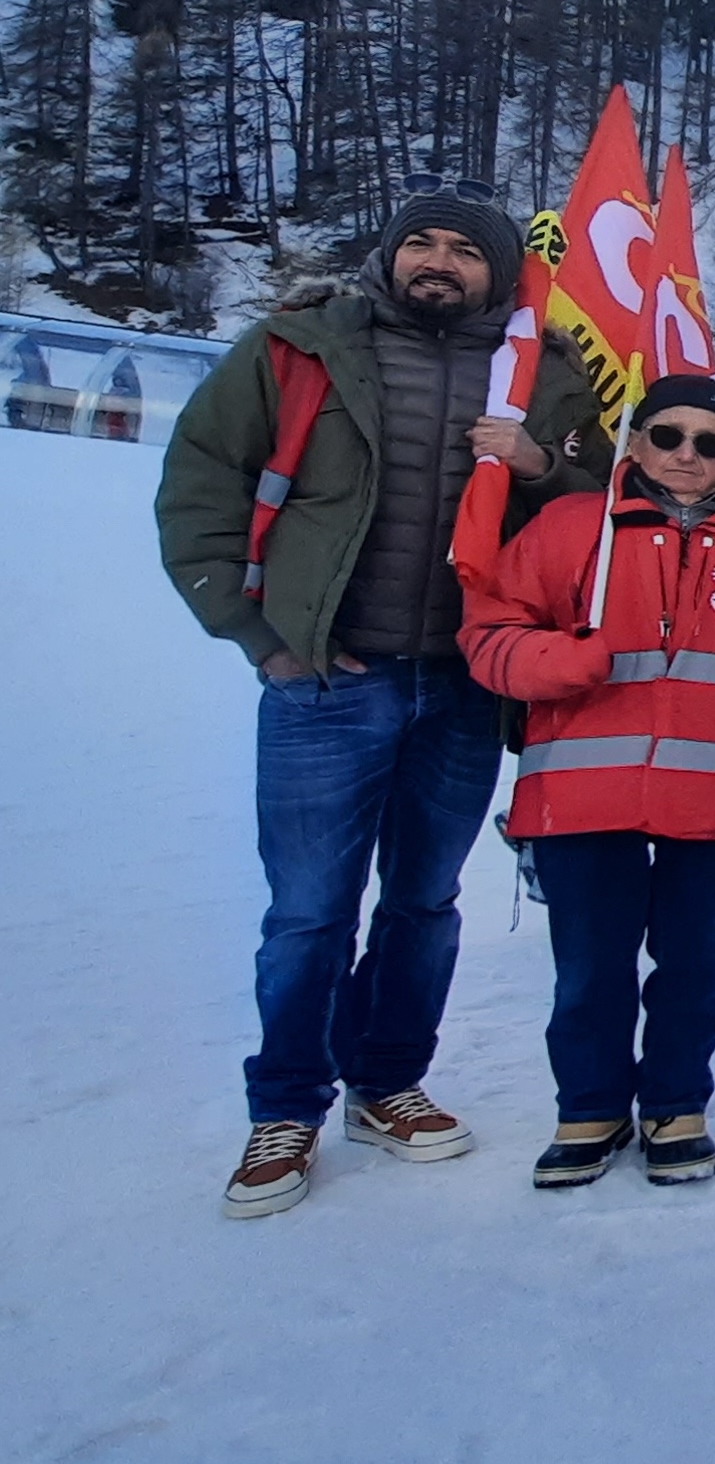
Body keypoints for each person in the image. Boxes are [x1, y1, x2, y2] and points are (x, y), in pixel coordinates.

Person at [157, 180, 610, 1218]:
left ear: (499, 272)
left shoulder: (541, 373)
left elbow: (592, 520)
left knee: (423, 902)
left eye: (463, 249)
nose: (437, 262)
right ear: (394, 255)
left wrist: (541, 462)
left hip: (461, 683)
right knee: (311, 910)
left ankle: (385, 1082)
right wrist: (261, 637)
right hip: (327, 679)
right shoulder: (300, 348)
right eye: (423, 244)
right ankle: (285, 1106)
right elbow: (199, 484)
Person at [461, 376, 715, 1187]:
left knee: (696, 964)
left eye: (709, 443)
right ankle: (589, 1106)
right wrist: (559, 661)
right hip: (586, 797)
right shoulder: (572, 526)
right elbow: (487, 633)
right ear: (633, 444)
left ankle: (676, 1101)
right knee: (592, 966)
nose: (685, 456)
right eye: (667, 436)